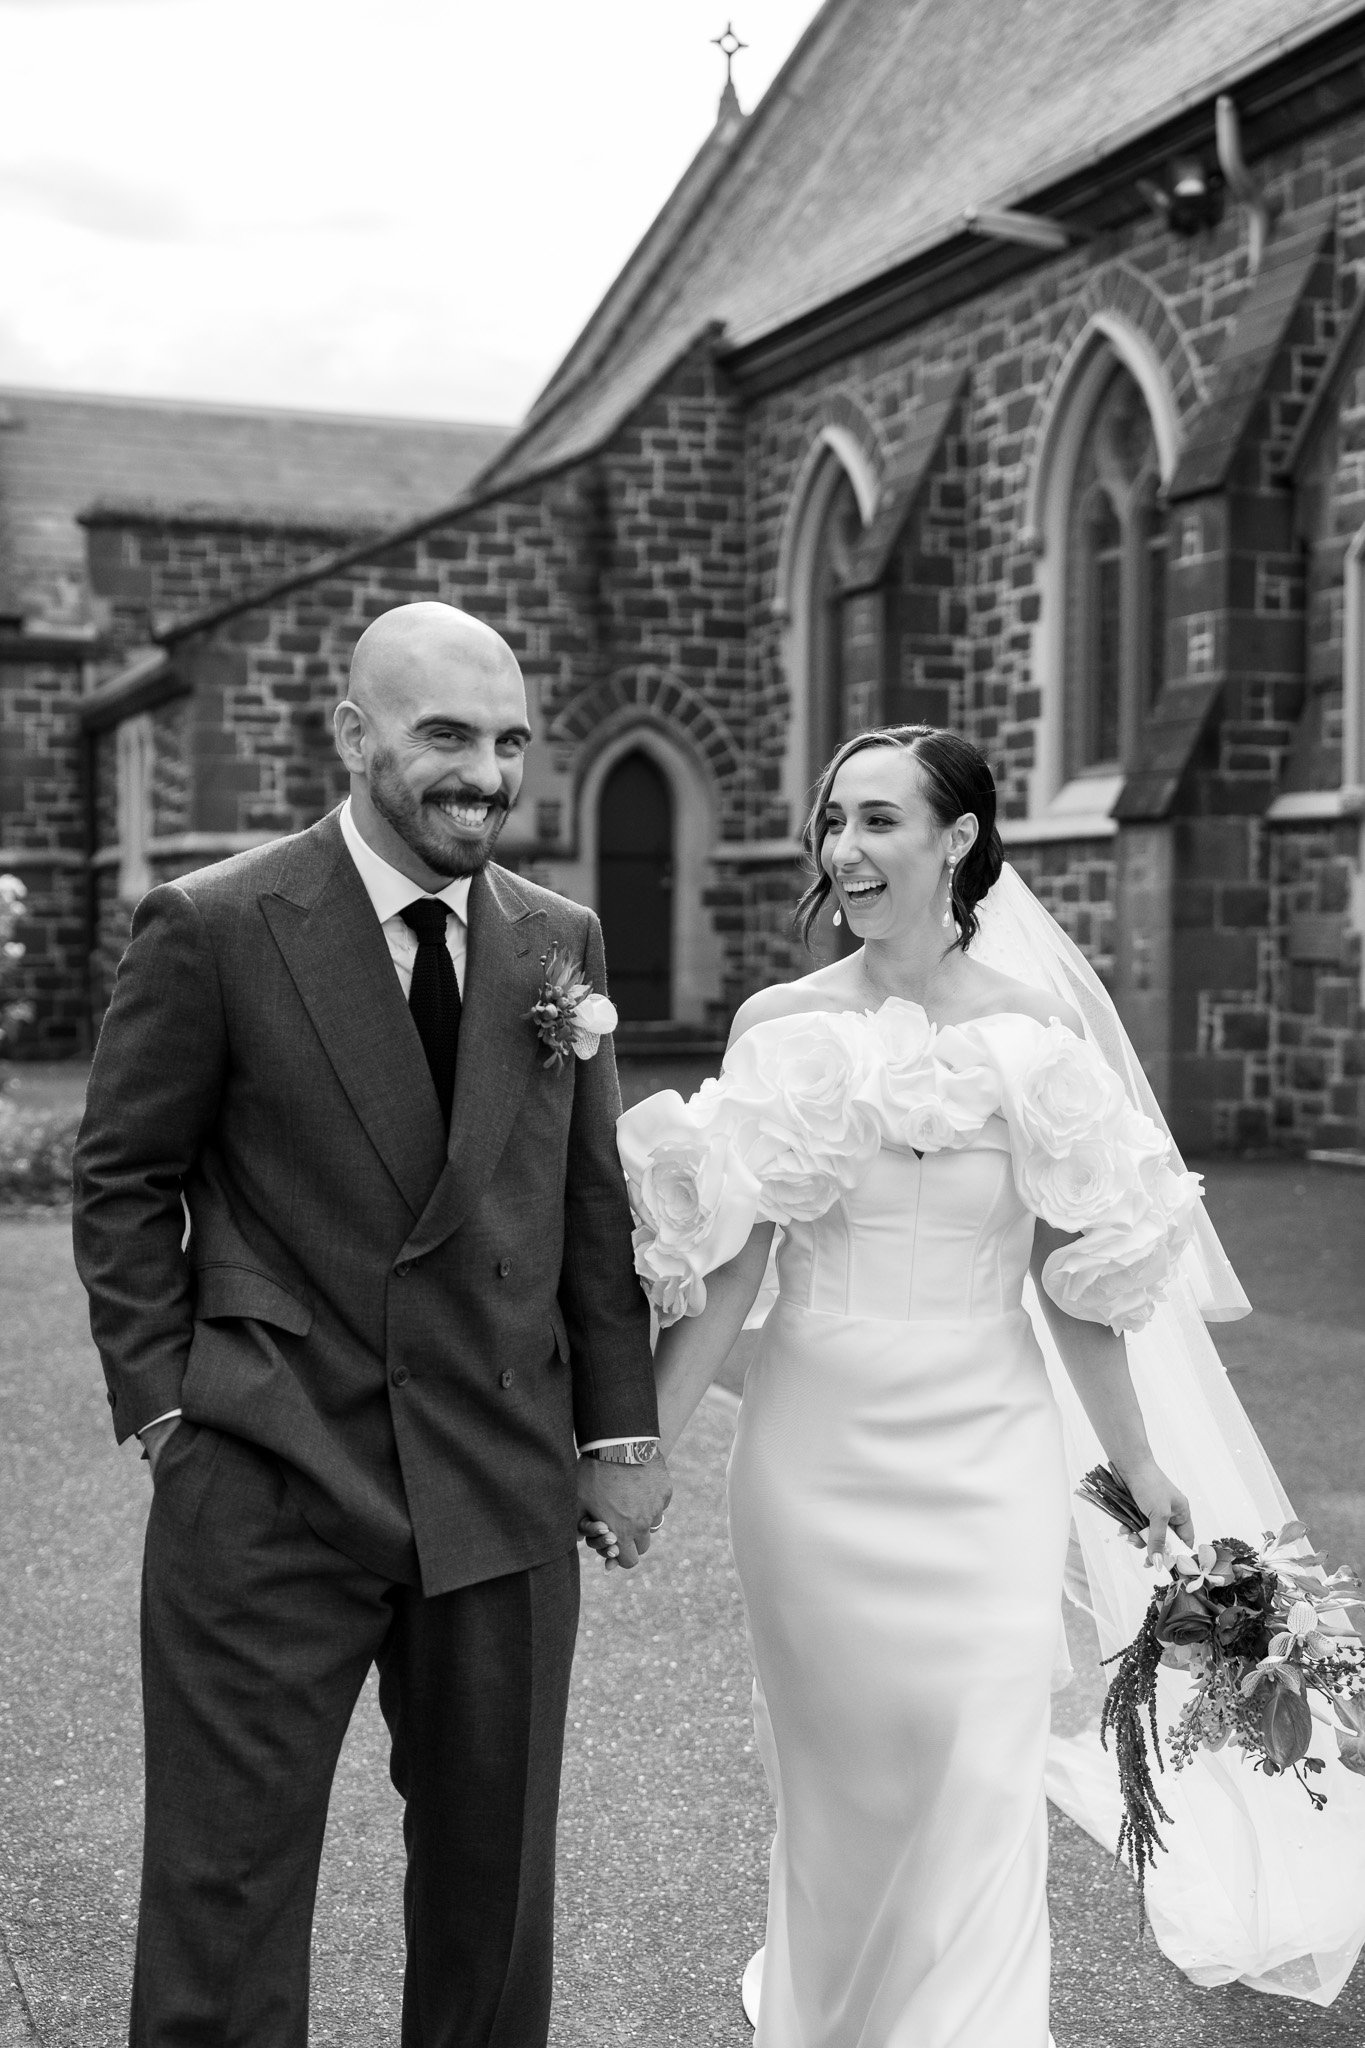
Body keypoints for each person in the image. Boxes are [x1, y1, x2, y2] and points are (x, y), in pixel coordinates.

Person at [72, 600, 671, 2047]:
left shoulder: (556, 941)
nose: (483, 771)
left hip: (499, 1485)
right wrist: (168, 1407)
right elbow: (123, 1178)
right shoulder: (214, 925)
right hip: (269, 1479)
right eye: (445, 735)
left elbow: (589, 1211)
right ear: (353, 736)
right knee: (224, 1899)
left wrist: (620, 1429)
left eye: (510, 740)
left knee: (492, 1907)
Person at [609, 724, 1200, 2046]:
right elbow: (729, 1269)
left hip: (987, 1453)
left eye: (877, 820)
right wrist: (632, 1451)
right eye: (832, 821)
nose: (843, 849)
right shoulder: (784, 1027)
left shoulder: (1039, 1037)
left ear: (958, 838)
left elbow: (1078, 1282)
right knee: (839, 1787)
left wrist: (1140, 1464)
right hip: (813, 1461)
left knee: (973, 1771)